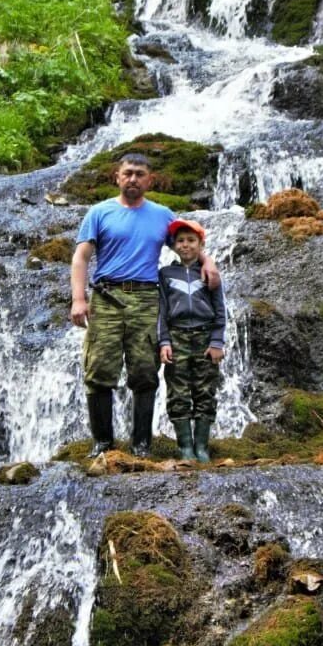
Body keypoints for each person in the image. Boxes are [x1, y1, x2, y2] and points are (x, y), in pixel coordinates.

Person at [70, 153, 218, 457]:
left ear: (150, 180)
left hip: (147, 298)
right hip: (107, 297)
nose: (133, 179)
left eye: (139, 174)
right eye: (128, 173)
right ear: (117, 177)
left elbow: (187, 244)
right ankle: (102, 444)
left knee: (145, 371)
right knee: (98, 369)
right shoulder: (99, 213)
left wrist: (209, 261)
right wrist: (78, 299)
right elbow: (81, 257)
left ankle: (141, 445)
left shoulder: (163, 215)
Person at [157, 219, 226, 462]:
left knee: (205, 391)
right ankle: (185, 447)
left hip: (205, 338)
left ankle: (202, 448)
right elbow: (161, 312)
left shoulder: (209, 273)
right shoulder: (165, 274)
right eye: (180, 241)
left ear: (201, 244)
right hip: (176, 338)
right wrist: (164, 341)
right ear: (173, 245)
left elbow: (220, 309)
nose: (186, 245)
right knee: (178, 392)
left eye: (191, 241)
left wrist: (217, 341)